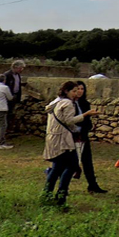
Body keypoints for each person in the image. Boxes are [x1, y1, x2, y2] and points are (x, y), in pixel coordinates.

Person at [41, 80, 98, 208]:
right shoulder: (67, 103)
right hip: (62, 140)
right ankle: (61, 195)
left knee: (56, 168)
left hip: (53, 138)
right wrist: (86, 114)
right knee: (72, 166)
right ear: (67, 91)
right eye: (73, 91)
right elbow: (69, 120)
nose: (76, 93)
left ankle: (47, 194)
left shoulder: (56, 102)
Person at [72, 81, 107, 194]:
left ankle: (92, 185)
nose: (80, 91)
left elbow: (87, 121)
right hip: (71, 137)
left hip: (83, 136)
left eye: (82, 89)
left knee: (87, 161)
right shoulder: (69, 104)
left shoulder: (84, 103)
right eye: (78, 89)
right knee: (69, 162)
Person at [3, 60, 26, 136]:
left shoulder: (18, 75)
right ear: (15, 67)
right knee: (6, 113)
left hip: (15, 96)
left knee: (11, 113)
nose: (22, 70)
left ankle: (9, 129)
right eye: (21, 68)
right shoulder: (7, 75)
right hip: (8, 97)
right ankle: (4, 129)